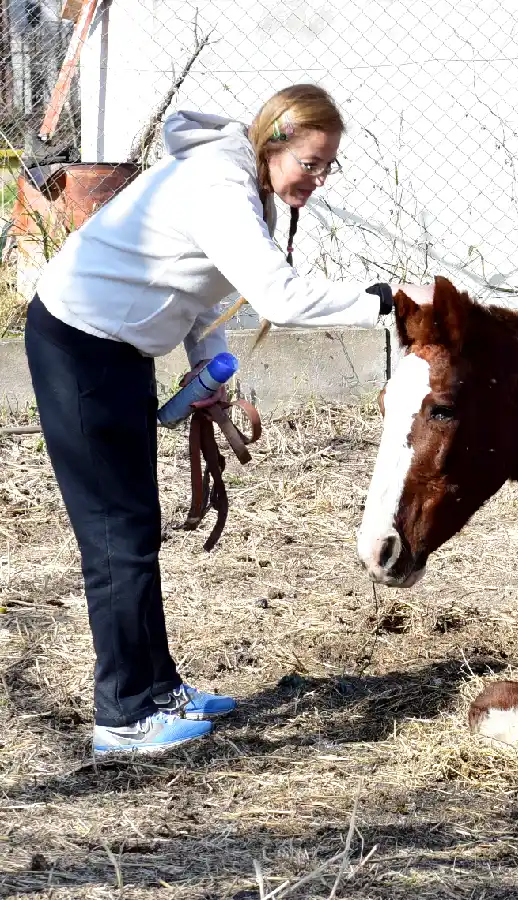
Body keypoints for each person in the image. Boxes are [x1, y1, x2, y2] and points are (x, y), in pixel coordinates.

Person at [23, 84, 400, 757]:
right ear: (274, 141)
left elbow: (199, 289)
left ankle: (157, 687)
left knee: (134, 527)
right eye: (309, 163)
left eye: (327, 167)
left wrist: (210, 372)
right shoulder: (220, 185)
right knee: (117, 536)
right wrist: (387, 302)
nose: (316, 180)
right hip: (79, 346)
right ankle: (123, 716)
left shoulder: (243, 183)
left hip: (115, 349)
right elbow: (280, 299)